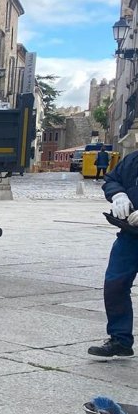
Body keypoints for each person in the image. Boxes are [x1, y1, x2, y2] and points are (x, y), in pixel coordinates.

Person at [93, 151, 138, 357]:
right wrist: (118, 194)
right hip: (130, 235)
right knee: (115, 285)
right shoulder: (133, 159)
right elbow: (112, 178)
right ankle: (120, 339)